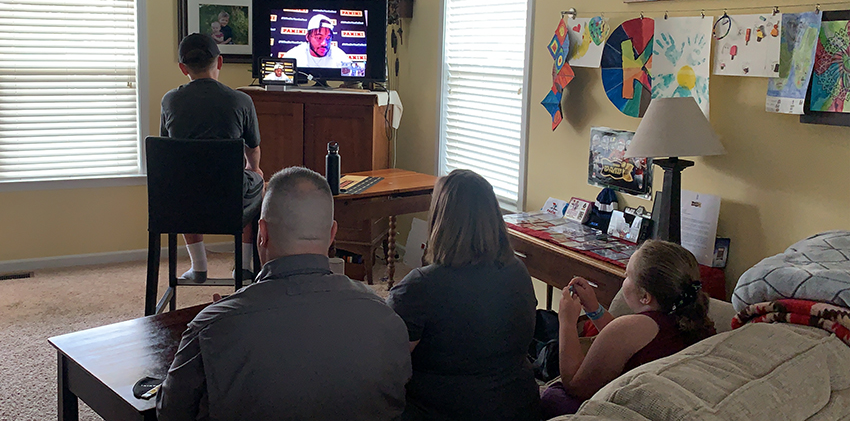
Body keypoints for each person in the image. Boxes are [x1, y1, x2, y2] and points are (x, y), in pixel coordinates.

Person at [156, 167, 412, 421]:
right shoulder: (387, 318)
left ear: (262, 234)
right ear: (332, 234)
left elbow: (170, 412)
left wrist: (227, 316)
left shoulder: (212, 327)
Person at [386, 169, 540, 421]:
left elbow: (387, 366)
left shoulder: (420, 287)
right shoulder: (518, 272)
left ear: (441, 218)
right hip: (518, 408)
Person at [539, 240, 716, 417]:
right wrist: (594, 309)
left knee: (551, 397)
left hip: (618, 410)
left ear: (645, 296)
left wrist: (567, 320)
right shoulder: (691, 318)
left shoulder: (630, 328)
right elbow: (621, 342)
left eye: (627, 276)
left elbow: (575, 386)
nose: (624, 278)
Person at [160, 33, 263, 283]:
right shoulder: (241, 100)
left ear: (183, 67)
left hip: (183, 202)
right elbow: (253, 147)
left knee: (184, 181)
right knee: (256, 183)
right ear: (219, 62)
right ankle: (244, 266)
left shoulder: (170, 101)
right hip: (230, 198)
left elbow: (167, 150)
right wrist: (254, 168)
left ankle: (199, 266)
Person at [283, 14, 353, 69]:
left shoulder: (339, 56)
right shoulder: (293, 56)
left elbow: (355, 83)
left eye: (328, 38)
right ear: (308, 37)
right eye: (319, 37)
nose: (324, 43)